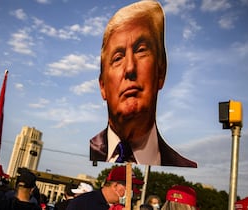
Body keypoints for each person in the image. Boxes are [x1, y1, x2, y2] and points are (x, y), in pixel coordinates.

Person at [89, 0, 197, 167]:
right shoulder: (88, 150)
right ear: (102, 86)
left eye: (141, 50)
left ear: (161, 71)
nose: (130, 68)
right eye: (118, 58)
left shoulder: (185, 166)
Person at [66, 165, 144, 210]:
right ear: (115, 186)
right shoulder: (83, 203)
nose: (132, 192)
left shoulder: (120, 207)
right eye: (130, 187)